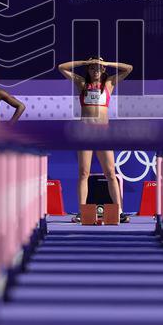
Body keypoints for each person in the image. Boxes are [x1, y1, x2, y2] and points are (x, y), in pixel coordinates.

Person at [58, 57, 134, 222]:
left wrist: (107, 63)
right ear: (88, 70)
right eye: (92, 68)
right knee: (84, 173)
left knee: (111, 174)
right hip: (85, 133)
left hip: (103, 134)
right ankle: (82, 212)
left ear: (104, 70)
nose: (96, 71)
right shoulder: (81, 83)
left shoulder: (109, 84)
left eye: (99, 68)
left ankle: (120, 212)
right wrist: (84, 62)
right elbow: (62, 67)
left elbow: (129, 68)